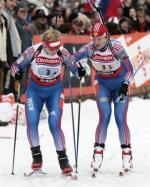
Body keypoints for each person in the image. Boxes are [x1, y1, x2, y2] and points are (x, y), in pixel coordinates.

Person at [11, 29, 86, 174]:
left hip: (55, 91)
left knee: (54, 124)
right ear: (44, 44)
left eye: (57, 47)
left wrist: (79, 71)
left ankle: (63, 159)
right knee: (32, 121)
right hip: (34, 90)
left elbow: (74, 67)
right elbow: (15, 66)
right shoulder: (33, 51)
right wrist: (17, 74)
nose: (55, 50)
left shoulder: (62, 52)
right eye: (52, 48)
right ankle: (36, 157)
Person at [67, 22, 134, 172]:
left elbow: (130, 68)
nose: (95, 42)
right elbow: (70, 59)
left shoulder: (116, 48)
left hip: (119, 85)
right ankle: (97, 154)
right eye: (93, 38)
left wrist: (126, 82)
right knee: (104, 116)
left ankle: (127, 154)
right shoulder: (89, 48)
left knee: (119, 117)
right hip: (102, 85)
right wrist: (78, 69)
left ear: (107, 37)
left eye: (99, 39)